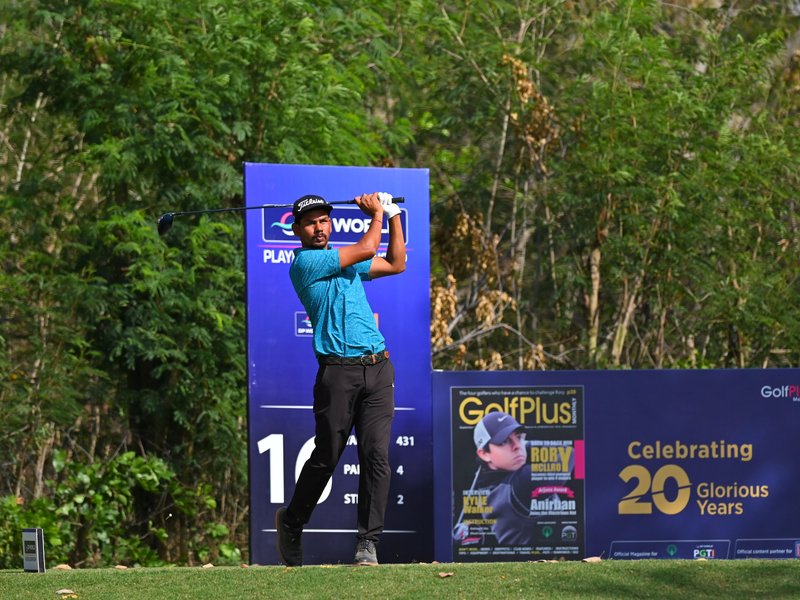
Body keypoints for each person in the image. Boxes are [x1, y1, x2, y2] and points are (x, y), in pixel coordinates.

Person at [274, 191, 406, 567]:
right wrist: (376, 213)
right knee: (327, 456)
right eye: (310, 223)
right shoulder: (305, 263)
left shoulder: (347, 263)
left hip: (378, 367)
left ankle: (368, 543)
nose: (319, 228)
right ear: (297, 230)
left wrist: (393, 215)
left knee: (376, 455)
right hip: (337, 372)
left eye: (324, 220)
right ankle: (292, 522)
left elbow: (396, 263)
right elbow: (367, 247)